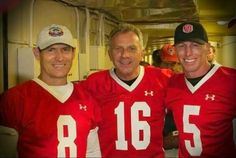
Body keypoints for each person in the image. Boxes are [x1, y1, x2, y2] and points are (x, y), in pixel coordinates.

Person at [0, 24, 101, 157]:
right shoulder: (14, 99)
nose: (59, 57)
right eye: (51, 50)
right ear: (37, 53)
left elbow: (92, 152)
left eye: (65, 49)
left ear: (73, 53)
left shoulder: (88, 99)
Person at [81, 23, 172, 157]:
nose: (125, 55)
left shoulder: (163, 79)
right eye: (118, 49)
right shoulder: (94, 84)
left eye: (132, 48)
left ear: (142, 52)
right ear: (110, 54)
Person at [165, 21, 236, 157]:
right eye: (181, 46)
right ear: (175, 51)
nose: (188, 52)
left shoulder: (231, 81)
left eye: (195, 45)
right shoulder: (171, 84)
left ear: (208, 48)